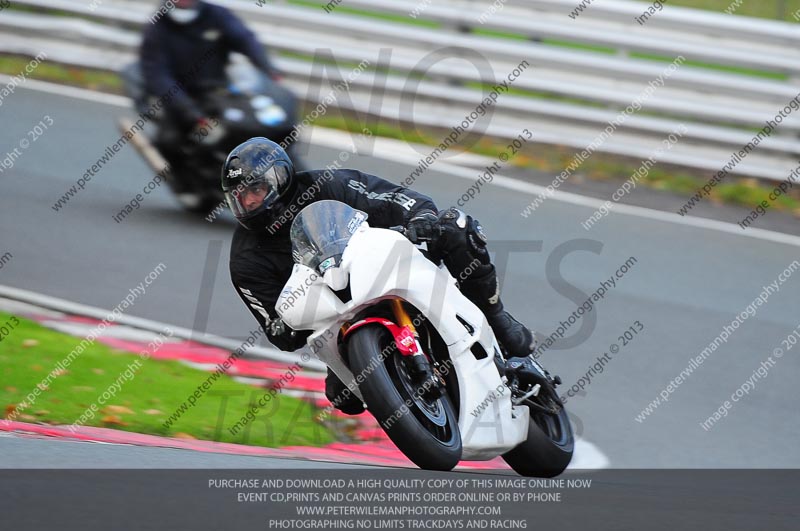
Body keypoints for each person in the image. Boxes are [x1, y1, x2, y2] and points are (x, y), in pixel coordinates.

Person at [225, 137, 542, 415]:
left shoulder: (329, 185)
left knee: (454, 227)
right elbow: (277, 331)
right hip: (335, 316)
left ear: (280, 179)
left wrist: (421, 219)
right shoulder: (245, 261)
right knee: (343, 397)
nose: (250, 201)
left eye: (256, 189)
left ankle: (496, 316)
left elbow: (400, 200)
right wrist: (287, 321)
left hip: (386, 263)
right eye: (241, 196)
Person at [140, 0, 282, 204]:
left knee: (252, 123)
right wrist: (190, 113)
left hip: (218, 93)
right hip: (181, 98)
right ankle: (187, 184)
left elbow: (245, 40)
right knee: (168, 140)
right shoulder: (157, 28)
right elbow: (158, 76)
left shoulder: (217, 15)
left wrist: (269, 69)